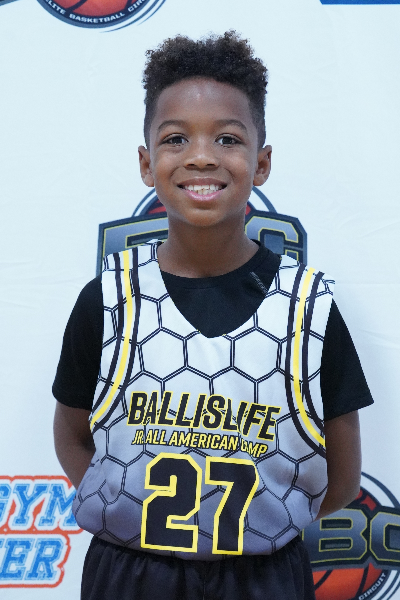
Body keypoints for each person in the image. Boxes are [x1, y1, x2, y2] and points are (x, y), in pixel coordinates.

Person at [53, 31, 373, 600]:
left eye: (227, 138)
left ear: (262, 162)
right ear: (147, 164)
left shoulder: (308, 308)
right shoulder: (107, 299)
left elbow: (343, 476)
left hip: (263, 577)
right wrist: (131, 510)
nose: (201, 156)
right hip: (130, 574)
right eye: (176, 138)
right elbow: (71, 435)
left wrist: (266, 527)